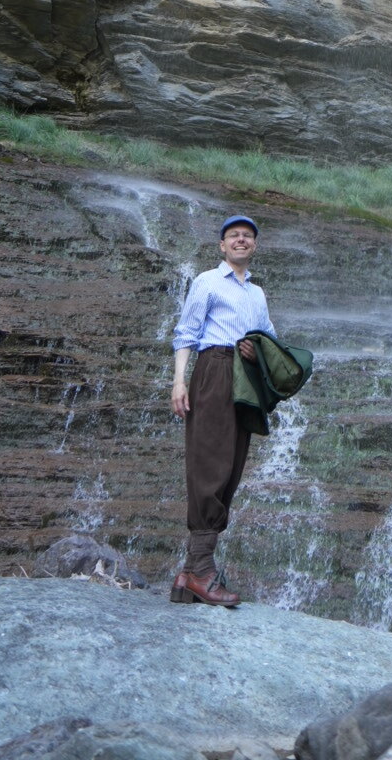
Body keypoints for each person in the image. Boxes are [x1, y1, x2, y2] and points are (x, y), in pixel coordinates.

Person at [169, 213, 277, 607]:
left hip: (244, 379)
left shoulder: (257, 294)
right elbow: (186, 333)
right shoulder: (207, 282)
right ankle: (201, 571)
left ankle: (189, 574)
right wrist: (179, 381)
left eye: (248, 236)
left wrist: (258, 348)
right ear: (222, 245)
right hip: (213, 370)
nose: (241, 241)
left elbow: (270, 340)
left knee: (230, 466)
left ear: (255, 246)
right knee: (210, 464)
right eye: (234, 236)